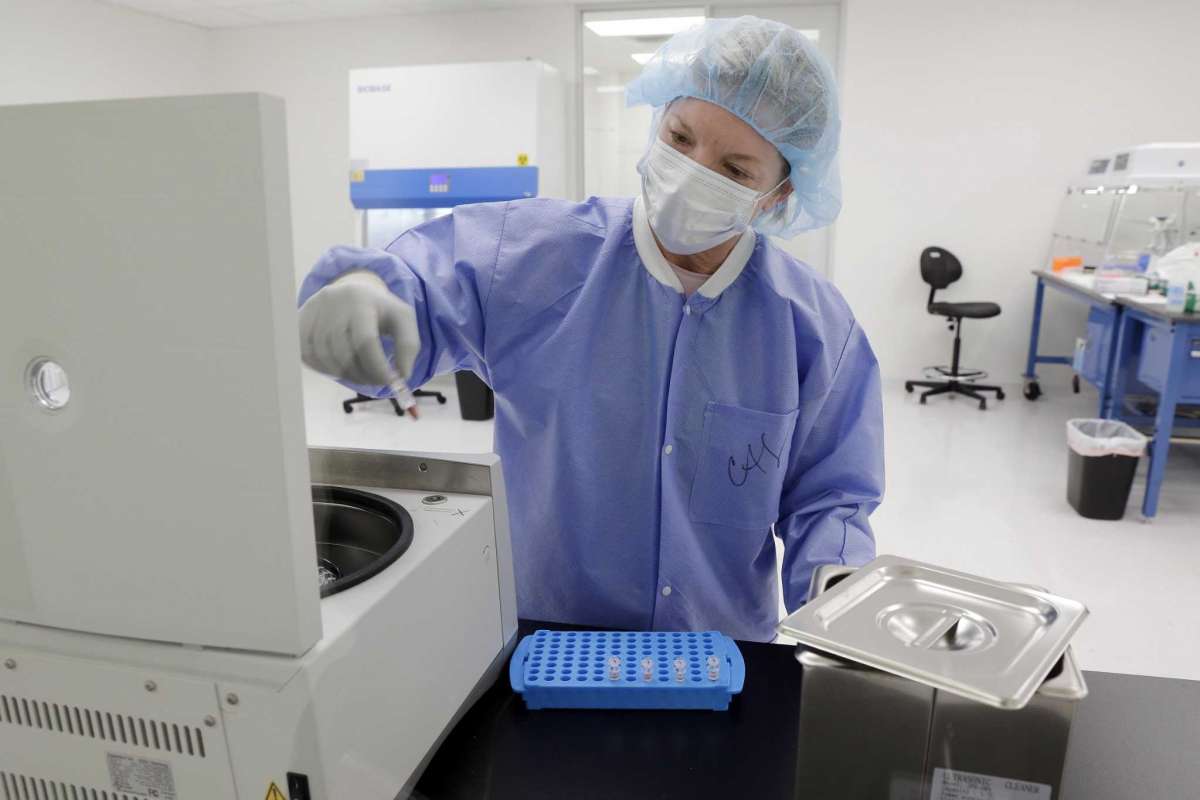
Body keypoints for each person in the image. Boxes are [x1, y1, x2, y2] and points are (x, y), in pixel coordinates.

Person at [298, 16, 883, 642]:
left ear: (779, 194)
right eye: (680, 137)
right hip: (540, 640)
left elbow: (830, 500)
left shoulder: (814, 328)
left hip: (717, 656)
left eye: (735, 171)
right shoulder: (532, 257)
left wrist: (839, 588)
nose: (691, 172)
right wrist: (366, 292)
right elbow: (423, 283)